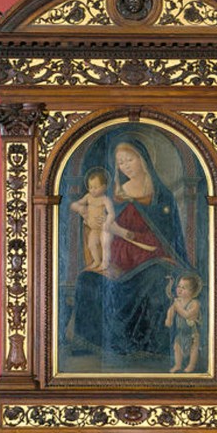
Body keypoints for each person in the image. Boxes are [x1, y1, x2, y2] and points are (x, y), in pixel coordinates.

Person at [72, 137, 189, 367]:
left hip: (152, 257)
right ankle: (98, 346)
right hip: (118, 259)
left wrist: (123, 232)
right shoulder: (116, 195)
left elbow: (166, 240)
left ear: (143, 160)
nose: (125, 166)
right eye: (120, 163)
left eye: (129, 160)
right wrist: (93, 222)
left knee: (156, 280)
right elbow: (101, 227)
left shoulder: (161, 196)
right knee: (87, 279)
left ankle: (150, 349)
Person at [70, 168, 114, 271]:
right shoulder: (88, 197)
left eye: (96, 187)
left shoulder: (105, 199)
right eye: (90, 187)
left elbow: (111, 213)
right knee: (91, 244)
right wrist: (79, 208)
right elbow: (74, 205)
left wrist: (107, 222)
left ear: (104, 187)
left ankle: (105, 263)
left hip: (104, 228)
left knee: (105, 244)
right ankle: (97, 261)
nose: (92, 190)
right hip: (94, 229)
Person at [165, 273, 202, 373]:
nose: (179, 289)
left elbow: (187, 315)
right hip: (181, 332)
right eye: (179, 286)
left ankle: (191, 365)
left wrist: (178, 307)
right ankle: (178, 365)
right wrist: (169, 319)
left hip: (192, 333)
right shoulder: (178, 301)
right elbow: (171, 310)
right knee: (177, 347)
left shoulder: (194, 303)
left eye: (184, 288)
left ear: (192, 292)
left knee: (193, 348)